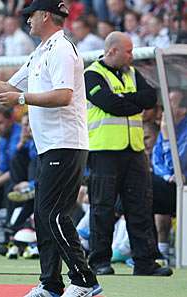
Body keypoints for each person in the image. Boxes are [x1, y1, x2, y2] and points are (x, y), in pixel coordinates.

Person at [0, 0, 101, 296]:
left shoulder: (61, 50)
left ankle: (85, 281)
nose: (27, 20)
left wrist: (22, 100)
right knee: (43, 217)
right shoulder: (42, 51)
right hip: (51, 146)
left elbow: (63, 96)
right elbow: (7, 88)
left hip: (66, 144)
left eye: (30, 15)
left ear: (45, 15)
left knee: (54, 215)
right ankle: (51, 284)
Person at [84, 31, 172, 277]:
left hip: (133, 151)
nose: (132, 56)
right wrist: (132, 102)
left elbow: (150, 98)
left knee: (140, 207)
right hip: (104, 151)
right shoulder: (91, 75)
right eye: (129, 51)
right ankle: (99, 261)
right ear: (112, 51)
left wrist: (125, 99)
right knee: (102, 208)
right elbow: (110, 104)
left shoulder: (132, 73)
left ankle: (145, 262)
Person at [152, 90, 187, 260]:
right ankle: (158, 249)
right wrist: (167, 177)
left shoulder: (180, 130)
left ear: (183, 109)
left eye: (171, 102)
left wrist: (166, 137)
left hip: (183, 189)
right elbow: (156, 161)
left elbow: (177, 166)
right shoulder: (168, 126)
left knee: (148, 190)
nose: (164, 107)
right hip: (171, 184)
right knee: (144, 187)